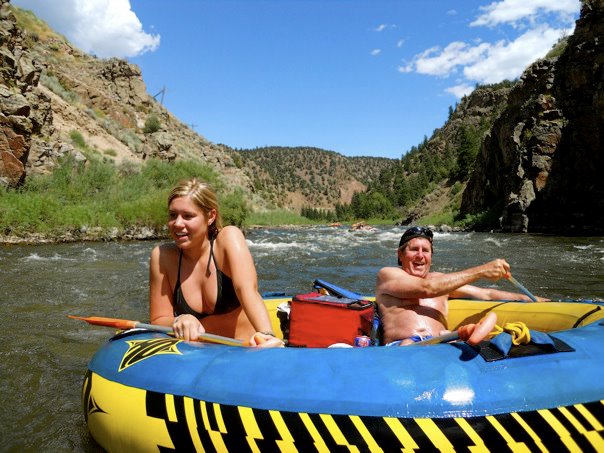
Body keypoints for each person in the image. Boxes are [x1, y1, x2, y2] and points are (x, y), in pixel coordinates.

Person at [149, 178, 283, 348]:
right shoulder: (162, 256)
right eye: (172, 215)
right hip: (200, 357)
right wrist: (180, 319)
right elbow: (158, 320)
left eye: (188, 216)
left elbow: (248, 291)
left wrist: (267, 335)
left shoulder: (228, 239)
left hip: (245, 351)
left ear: (210, 216)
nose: (177, 223)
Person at [375, 226, 548, 346]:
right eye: (414, 249)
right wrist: (482, 270)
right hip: (404, 347)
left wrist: (533, 300)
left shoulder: (442, 281)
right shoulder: (389, 275)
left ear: (431, 256)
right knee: (408, 343)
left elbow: (486, 294)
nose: (420, 255)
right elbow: (427, 288)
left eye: (425, 250)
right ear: (400, 255)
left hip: (443, 345)